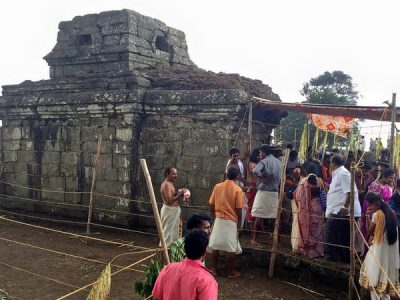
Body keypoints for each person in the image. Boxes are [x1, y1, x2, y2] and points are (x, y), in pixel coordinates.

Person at [152, 230, 218, 300]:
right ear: (204, 253)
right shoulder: (206, 280)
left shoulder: (167, 269)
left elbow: (158, 296)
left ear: (184, 249)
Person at [359, 193, 400, 300]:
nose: (370, 207)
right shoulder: (390, 213)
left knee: (374, 280)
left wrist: (368, 217)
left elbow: (370, 232)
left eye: (370, 205)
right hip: (389, 252)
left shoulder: (377, 214)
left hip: (378, 250)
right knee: (384, 278)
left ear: (376, 203)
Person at [324, 155, 361, 262]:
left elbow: (350, 191)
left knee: (328, 228)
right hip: (340, 211)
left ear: (333, 163)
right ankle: (344, 260)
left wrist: (345, 206)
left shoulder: (343, 173)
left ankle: (329, 257)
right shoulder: (339, 174)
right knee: (343, 237)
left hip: (345, 211)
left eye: (330, 163)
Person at [208, 167, 244, 279]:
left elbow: (211, 203)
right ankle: (231, 272)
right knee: (231, 247)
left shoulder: (217, 187)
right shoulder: (238, 189)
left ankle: (214, 268)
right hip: (231, 220)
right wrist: (239, 221)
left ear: (226, 174)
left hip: (219, 219)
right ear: (237, 176)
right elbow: (239, 209)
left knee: (215, 245)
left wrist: (214, 214)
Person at [292, 164, 325, 258]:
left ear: (306, 170)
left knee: (307, 229)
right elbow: (323, 193)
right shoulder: (320, 180)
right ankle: (317, 251)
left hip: (308, 209)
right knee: (318, 230)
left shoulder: (304, 181)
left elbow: (298, 196)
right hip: (319, 208)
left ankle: (306, 249)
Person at [251, 144, 282, 243]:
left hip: (264, 191)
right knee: (274, 216)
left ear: (263, 152)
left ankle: (255, 238)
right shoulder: (279, 161)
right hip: (274, 191)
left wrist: (261, 177)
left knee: (259, 215)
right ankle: (275, 238)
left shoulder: (264, 161)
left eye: (260, 152)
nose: (260, 154)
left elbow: (255, 170)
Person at [160, 167, 184, 246]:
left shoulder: (170, 183)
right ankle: (163, 254)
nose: (176, 176)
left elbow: (172, 197)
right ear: (167, 174)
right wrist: (179, 194)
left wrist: (180, 193)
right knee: (167, 233)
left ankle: (170, 254)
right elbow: (169, 201)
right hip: (169, 211)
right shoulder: (166, 184)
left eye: (176, 173)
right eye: (173, 173)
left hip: (173, 211)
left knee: (173, 233)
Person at [246, 148, 262, 235]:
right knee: (251, 206)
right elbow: (257, 173)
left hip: (255, 186)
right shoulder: (252, 164)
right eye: (258, 155)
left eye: (260, 155)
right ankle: (252, 229)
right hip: (252, 186)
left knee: (254, 206)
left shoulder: (256, 164)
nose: (260, 156)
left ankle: (254, 228)